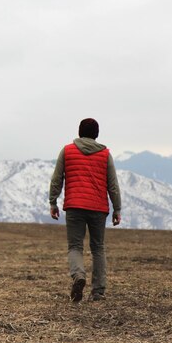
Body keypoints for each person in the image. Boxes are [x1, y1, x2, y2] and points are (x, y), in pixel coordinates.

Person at [49, 118, 122, 302]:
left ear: (79, 132)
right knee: (98, 248)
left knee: (75, 246)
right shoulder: (105, 154)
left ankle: (79, 275)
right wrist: (117, 208)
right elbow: (113, 185)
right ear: (97, 134)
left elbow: (56, 178)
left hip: (74, 206)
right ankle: (98, 291)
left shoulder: (67, 151)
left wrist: (53, 201)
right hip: (98, 208)